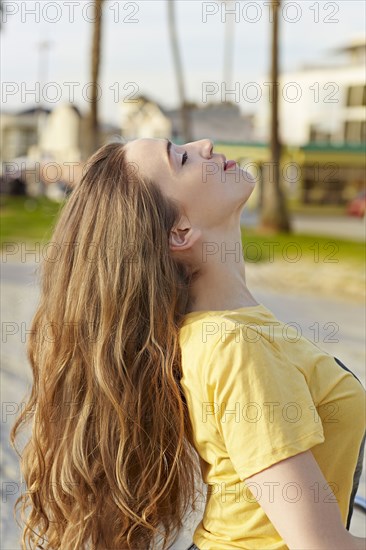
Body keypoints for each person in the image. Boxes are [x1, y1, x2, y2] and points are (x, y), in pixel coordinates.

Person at [10, 137, 365, 550]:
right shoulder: (234, 345)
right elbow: (320, 546)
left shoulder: (228, 329)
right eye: (181, 157)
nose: (206, 144)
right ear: (180, 232)